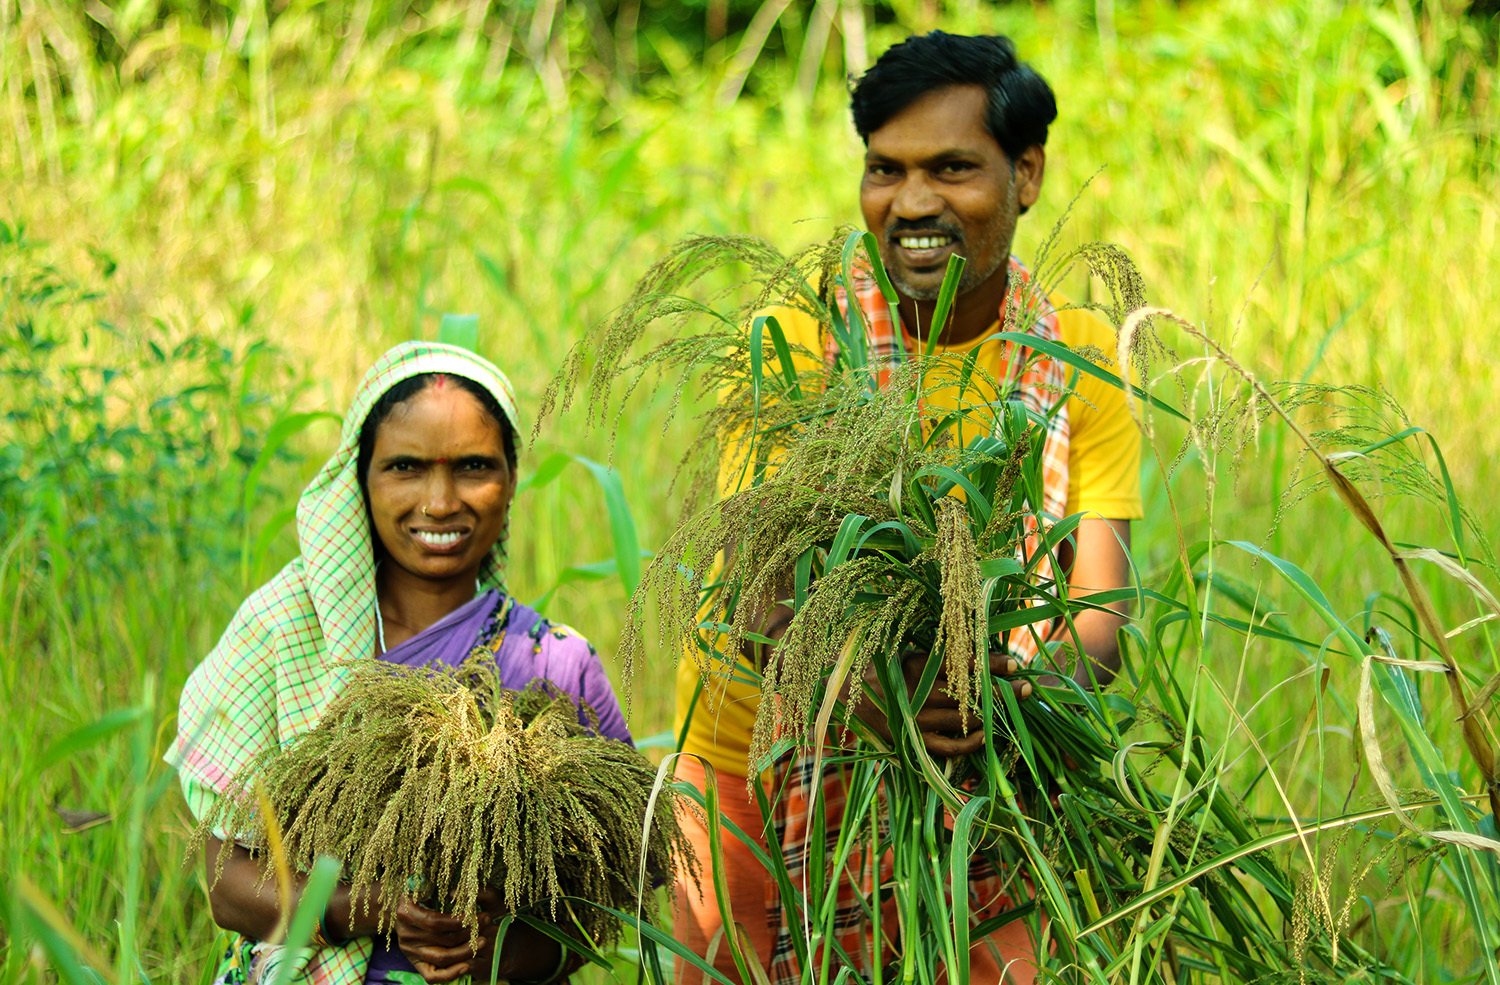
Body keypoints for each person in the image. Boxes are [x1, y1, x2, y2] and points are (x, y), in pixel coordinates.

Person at [671, 32, 1142, 985]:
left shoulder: (1077, 364)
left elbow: (1098, 616)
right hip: (756, 776)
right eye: (885, 169)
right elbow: (761, 608)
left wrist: (1014, 706)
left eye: (953, 168)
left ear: (1028, 174)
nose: (912, 202)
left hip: (987, 779)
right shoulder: (796, 347)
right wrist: (889, 696)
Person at [170, 341, 629, 985]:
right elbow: (226, 885)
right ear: (361, 479)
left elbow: (601, 908)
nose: (440, 502)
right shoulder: (283, 631)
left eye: (473, 466)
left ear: (511, 479)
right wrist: (370, 909)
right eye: (405, 467)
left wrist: (497, 950)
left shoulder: (553, 662)